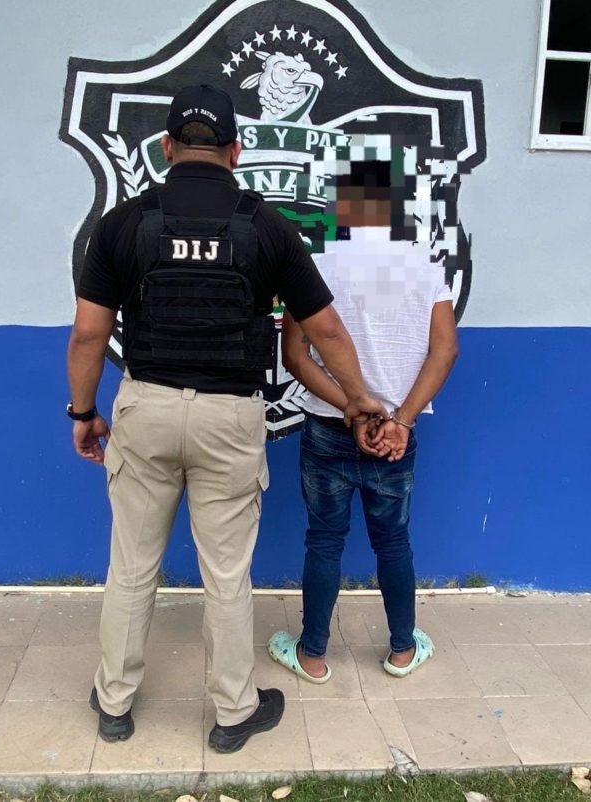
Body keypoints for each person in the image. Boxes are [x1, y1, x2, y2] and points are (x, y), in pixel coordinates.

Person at [66, 85, 386, 752]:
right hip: (230, 420)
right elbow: (325, 329)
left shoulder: (123, 223)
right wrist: (359, 398)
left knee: (132, 567)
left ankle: (115, 703)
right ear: (235, 151)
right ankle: (233, 713)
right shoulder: (267, 226)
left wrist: (84, 411)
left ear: (167, 148)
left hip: (146, 410)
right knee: (227, 575)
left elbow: (89, 335)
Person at [268, 150, 459, 684]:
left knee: (324, 539)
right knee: (393, 541)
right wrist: (403, 419)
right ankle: (402, 650)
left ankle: (312, 654)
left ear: (341, 206)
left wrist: (350, 410)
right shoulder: (425, 266)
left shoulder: (318, 265)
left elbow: (295, 357)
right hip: (397, 433)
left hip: (329, 428)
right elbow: (445, 350)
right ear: (395, 205)